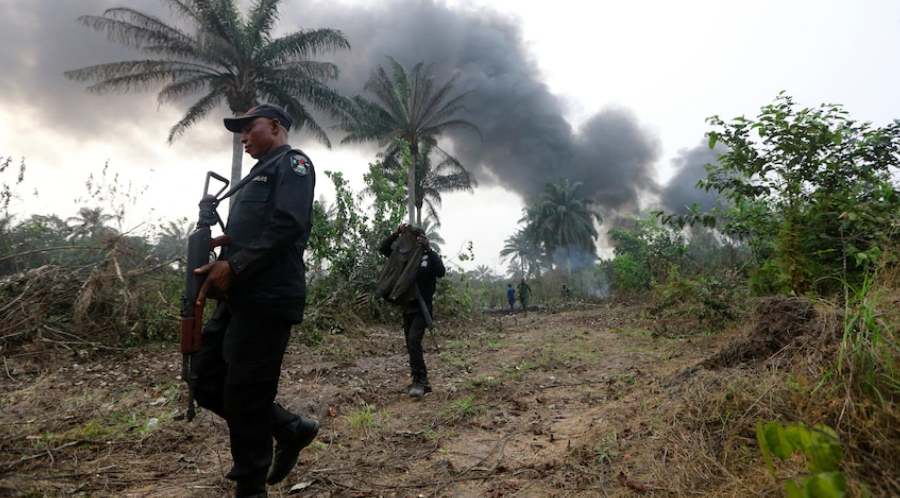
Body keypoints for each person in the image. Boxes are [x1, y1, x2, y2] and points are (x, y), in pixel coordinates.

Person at [192, 104, 319, 498]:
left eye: (250, 129)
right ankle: (289, 428)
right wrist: (227, 246)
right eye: (241, 132)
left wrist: (235, 265)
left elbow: (288, 224)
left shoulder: (294, 164)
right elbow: (258, 230)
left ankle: (251, 488)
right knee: (204, 378)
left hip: (269, 298)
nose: (243, 138)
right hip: (239, 296)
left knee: (247, 393)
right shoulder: (255, 174)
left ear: (275, 126)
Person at [379, 223, 446, 398]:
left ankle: (420, 380)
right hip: (407, 306)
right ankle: (420, 379)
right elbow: (383, 248)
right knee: (410, 344)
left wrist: (429, 248)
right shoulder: (403, 258)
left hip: (423, 307)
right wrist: (395, 233)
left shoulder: (428, 257)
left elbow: (440, 272)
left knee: (413, 340)